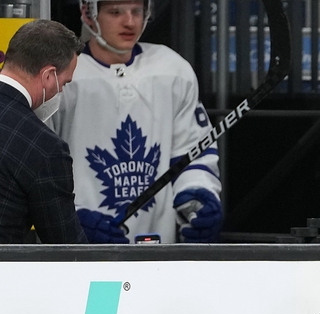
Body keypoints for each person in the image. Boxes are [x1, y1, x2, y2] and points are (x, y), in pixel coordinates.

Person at [50, 0, 222, 244]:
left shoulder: (172, 70)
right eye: (116, 12)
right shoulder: (63, 77)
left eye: (137, 11)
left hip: (160, 254)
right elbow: (38, 170)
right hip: (81, 258)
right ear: (89, 15)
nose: (130, 22)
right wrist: (70, 219)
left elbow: (192, 153)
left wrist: (199, 198)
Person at [0, 20, 87, 244]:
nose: (61, 91)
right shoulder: (43, 147)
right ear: (49, 76)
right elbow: (68, 251)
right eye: (65, 83)